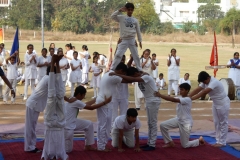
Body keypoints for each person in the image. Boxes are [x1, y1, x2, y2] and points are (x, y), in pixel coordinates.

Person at [109, 67, 161, 151]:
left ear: (136, 74)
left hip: (153, 100)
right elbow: (131, 78)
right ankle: (149, 143)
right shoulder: (142, 76)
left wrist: (117, 74)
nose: (133, 78)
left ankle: (152, 144)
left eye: (133, 76)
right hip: (149, 100)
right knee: (150, 123)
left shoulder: (146, 77)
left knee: (152, 123)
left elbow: (133, 78)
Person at [154, 83, 205, 148]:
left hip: (186, 124)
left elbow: (173, 100)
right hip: (179, 120)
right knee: (163, 125)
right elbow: (172, 98)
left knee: (185, 145)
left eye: (182, 90)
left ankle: (199, 141)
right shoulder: (181, 97)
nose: (180, 91)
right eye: (180, 89)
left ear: (187, 91)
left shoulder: (187, 99)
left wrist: (160, 95)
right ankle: (169, 142)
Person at [64, 86, 112, 153]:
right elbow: (91, 108)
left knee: (88, 124)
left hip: (71, 122)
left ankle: (88, 146)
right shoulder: (76, 102)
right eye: (83, 95)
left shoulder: (73, 99)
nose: (84, 97)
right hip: (67, 128)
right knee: (68, 150)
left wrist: (96, 99)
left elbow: (85, 104)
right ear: (79, 94)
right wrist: (105, 102)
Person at [189, 71, 230, 147]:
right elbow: (197, 89)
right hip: (215, 102)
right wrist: (188, 96)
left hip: (223, 102)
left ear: (208, 78)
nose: (204, 83)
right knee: (216, 122)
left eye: (204, 82)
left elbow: (204, 92)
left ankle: (222, 142)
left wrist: (191, 99)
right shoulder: (205, 81)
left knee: (223, 122)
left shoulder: (213, 82)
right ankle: (218, 140)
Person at [96, 62, 128, 152]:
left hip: (105, 101)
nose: (123, 75)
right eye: (123, 73)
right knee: (104, 125)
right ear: (121, 70)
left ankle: (102, 144)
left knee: (105, 125)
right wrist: (140, 78)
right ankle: (101, 146)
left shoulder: (109, 73)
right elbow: (127, 80)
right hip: (104, 102)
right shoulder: (113, 76)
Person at [41, 54, 68, 160]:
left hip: (51, 120)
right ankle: (55, 62)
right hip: (59, 121)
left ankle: (54, 62)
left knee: (52, 94)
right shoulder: (61, 155)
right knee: (60, 94)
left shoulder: (48, 155)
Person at [110, 3, 142, 72]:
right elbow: (112, 16)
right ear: (126, 10)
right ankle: (112, 69)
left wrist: (140, 41)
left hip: (132, 40)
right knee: (118, 55)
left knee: (136, 55)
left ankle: (139, 69)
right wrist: (119, 10)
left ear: (133, 10)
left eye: (131, 10)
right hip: (123, 40)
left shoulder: (135, 20)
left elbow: (138, 31)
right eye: (128, 10)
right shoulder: (121, 17)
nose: (130, 11)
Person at [112, 55, 129, 125]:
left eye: (123, 59)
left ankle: (123, 127)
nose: (122, 60)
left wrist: (132, 58)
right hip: (114, 95)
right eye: (121, 59)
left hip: (124, 95)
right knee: (114, 115)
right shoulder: (114, 69)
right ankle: (114, 128)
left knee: (124, 114)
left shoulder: (125, 69)